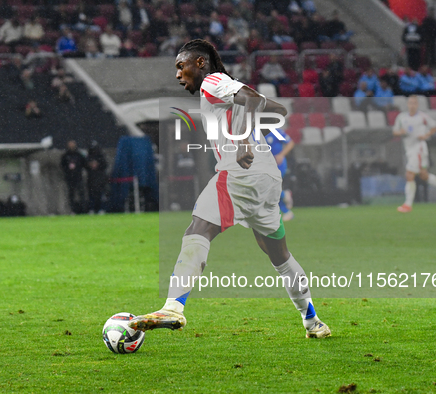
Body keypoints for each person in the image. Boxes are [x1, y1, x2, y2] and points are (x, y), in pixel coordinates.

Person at [128, 39, 331, 339]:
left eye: (180, 66)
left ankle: (173, 307)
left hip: (240, 174)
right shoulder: (225, 87)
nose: (177, 75)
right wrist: (249, 126)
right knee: (280, 256)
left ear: (199, 63)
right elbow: (276, 109)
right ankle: (313, 322)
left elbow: (249, 97)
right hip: (268, 179)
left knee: (198, 229)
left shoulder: (213, 82)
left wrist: (244, 140)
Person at [393, 96, 436, 213]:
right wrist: (400, 132)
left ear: (418, 105)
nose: (412, 105)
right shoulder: (401, 117)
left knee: (409, 174)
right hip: (409, 149)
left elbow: (434, 126)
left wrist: (426, 135)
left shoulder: (422, 117)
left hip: (419, 148)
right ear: (407, 104)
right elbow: (395, 131)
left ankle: (408, 204)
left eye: (415, 103)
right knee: (423, 175)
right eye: (410, 103)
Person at [267, 128, 295, 221]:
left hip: (278, 164)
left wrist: (281, 155)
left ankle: (284, 195)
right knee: (270, 191)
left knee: (270, 188)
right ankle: (287, 211)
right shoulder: (256, 133)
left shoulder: (275, 131)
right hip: (265, 165)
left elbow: (290, 143)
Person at [60, 140, 86, 215]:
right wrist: (68, 170)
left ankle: (83, 210)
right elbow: (62, 165)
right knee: (71, 195)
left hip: (78, 177)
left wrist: (77, 168)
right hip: (70, 178)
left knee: (81, 193)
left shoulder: (79, 154)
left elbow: (84, 163)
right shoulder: (65, 155)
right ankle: (72, 210)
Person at [86, 141, 108, 214]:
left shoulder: (101, 157)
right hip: (92, 179)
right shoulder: (88, 157)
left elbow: (105, 165)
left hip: (100, 179)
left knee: (101, 195)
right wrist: (90, 164)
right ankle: (92, 209)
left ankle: (102, 209)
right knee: (92, 196)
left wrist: (98, 164)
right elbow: (86, 165)